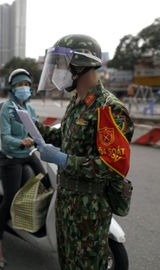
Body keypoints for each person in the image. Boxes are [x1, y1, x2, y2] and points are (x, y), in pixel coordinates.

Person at [35, 34, 134, 269]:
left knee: (87, 264)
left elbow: (112, 165)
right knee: (67, 262)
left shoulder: (109, 108)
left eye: (60, 64)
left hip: (90, 207)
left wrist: (64, 160)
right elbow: (64, 138)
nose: (56, 70)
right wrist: (33, 127)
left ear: (79, 65)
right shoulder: (77, 101)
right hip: (66, 201)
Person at [0, 68, 43, 268]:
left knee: (46, 183)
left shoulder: (31, 110)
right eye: (20, 85)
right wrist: (21, 142)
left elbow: (38, 133)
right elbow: (5, 137)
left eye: (27, 85)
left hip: (28, 156)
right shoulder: (7, 108)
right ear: (12, 88)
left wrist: (43, 143)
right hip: (11, 157)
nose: (24, 88)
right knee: (10, 197)